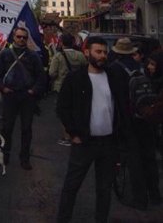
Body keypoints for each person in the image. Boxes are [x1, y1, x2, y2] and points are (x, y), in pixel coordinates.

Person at [56, 36, 120, 222]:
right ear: (87, 52)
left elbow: (121, 106)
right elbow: (62, 107)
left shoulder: (112, 76)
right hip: (84, 142)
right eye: (98, 52)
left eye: (104, 52)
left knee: (104, 188)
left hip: (108, 142)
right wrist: (73, 133)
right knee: (72, 185)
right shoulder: (76, 78)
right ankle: (63, 218)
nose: (102, 56)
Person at [109, 37, 161, 208]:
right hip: (145, 118)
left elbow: (115, 97)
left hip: (127, 120)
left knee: (134, 160)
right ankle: (155, 194)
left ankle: (140, 199)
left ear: (116, 52)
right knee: (149, 157)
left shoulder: (115, 69)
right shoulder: (140, 66)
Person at [0, 26, 45, 170]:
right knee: (7, 128)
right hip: (10, 96)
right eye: (19, 37)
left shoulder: (33, 56)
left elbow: (41, 76)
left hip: (27, 97)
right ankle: (4, 156)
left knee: (26, 129)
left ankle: (25, 158)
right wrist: (3, 88)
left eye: (24, 37)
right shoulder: (4, 54)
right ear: (13, 37)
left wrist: (33, 91)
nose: (21, 39)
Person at [49, 32, 88, 146]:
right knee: (76, 110)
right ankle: (77, 133)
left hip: (61, 87)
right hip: (78, 87)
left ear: (61, 43)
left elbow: (52, 73)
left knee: (63, 112)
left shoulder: (58, 56)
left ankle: (67, 137)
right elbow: (85, 68)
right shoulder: (80, 55)